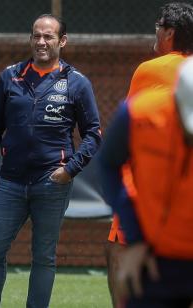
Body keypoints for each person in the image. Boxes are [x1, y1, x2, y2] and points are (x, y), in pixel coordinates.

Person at [0, 14, 102, 308]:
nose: (41, 42)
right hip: (10, 181)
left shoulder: (77, 82)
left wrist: (70, 170)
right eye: (36, 36)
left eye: (48, 37)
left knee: (43, 257)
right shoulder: (10, 76)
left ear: (62, 41)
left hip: (52, 183)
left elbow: (94, 135)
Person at [105, 3, 193, 306]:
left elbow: (119, 146)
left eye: (158, 25)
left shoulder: (149, 70)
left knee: (118, 250)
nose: (154, 31)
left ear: (169, 32)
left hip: (148, 190)